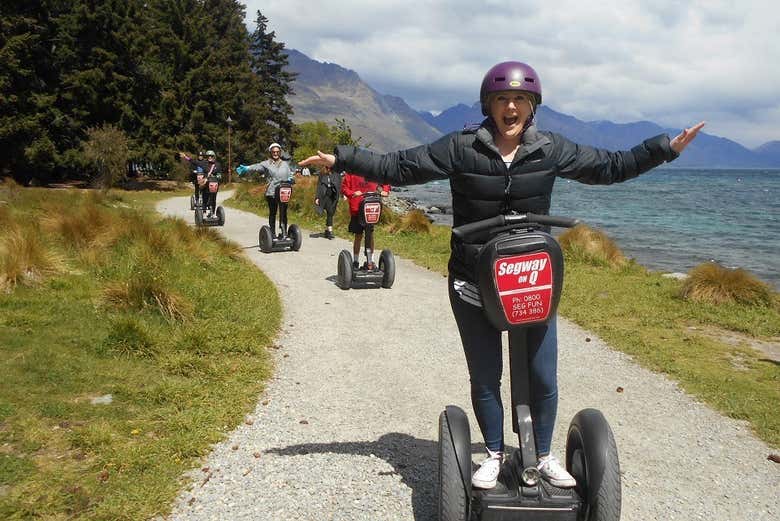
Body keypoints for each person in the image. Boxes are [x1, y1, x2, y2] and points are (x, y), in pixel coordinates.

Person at [300, 61, 704, 490]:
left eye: (520, 99)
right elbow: (400, 167)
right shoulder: (461, 147)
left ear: (532, 105)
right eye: (502, 99)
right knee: (485, 374)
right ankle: (493, 453)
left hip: (531, 279)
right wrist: (342, 158)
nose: (511, 107)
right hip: (473, 280)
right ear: (488, 105)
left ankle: (543, 455)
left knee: (543, 374)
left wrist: (665, 149)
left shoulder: (550, 148)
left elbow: (609, 166)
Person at [236, 143, 295, 238]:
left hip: (284, 192)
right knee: (273, 213)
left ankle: (284, 232)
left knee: (283, 213)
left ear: (280, 152)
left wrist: (291, 179)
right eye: (273, 152)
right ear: (270, 152)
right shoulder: (266, 164)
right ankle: (272, 233)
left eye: (277, 152)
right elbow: (257, 166)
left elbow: (290, 175)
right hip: (271, 192)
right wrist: (247, 168)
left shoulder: (285, 164)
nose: (275, 153)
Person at [341, 172, 390, 269]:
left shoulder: (373, 169)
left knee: (370, 235)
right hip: (357, 209)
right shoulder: (351, 172)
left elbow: (385, 179)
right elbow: (344, 188)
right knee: (358, 236)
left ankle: (371, 261)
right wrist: (352, 193)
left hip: (371, 207)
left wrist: (385, 190)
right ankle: (355, 261)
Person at [314, 164, 342, 239]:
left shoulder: (337, 174)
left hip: (333, 196)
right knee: (329, 211)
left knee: (331, 212)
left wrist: (342, 195)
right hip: (324, 195)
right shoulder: (322, 174)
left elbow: (340, 185)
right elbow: (319, 185)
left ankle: (327, 230)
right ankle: (330, 231)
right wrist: (317, 197)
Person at [201, 150, 222, 217]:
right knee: (205, 197)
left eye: (211, 156)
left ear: (214, 157)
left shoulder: (217, 164)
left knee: (213, 198)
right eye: (208, 156)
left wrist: (219, 176)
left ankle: (212, 213)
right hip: (206, 183)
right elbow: (203, 171)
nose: (209, 157)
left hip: (214, 183)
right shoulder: (204, 164)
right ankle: (204, 212)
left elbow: (219, 173)